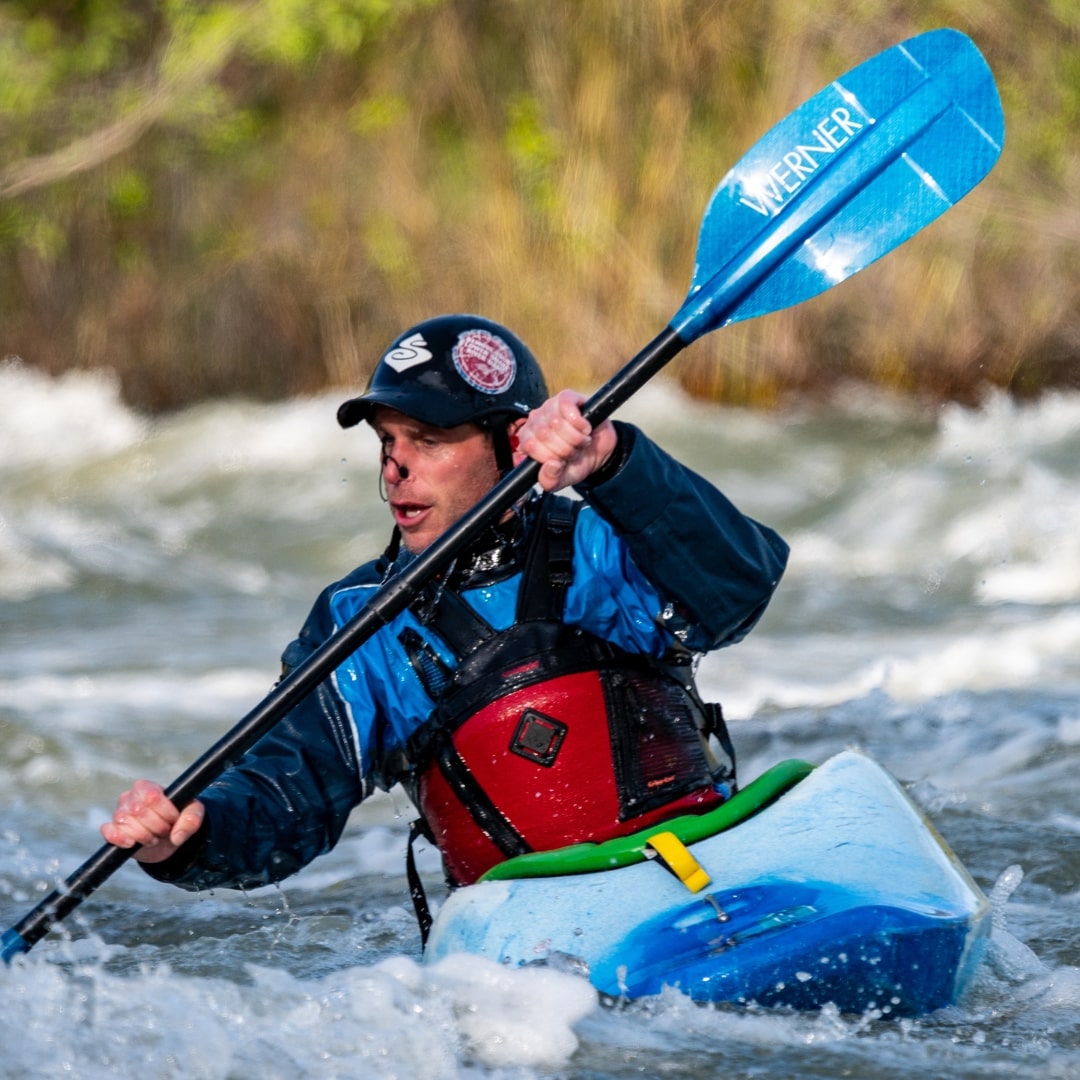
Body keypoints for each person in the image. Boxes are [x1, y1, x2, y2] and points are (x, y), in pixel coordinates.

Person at [101, 314, 788, 933]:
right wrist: (191, 838)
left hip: (698, 869)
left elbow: (739, 591)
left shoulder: (603, 543)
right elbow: (291, 793)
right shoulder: (359, 624)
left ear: (513, 443)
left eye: (427, 440)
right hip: (528, 934)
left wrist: (614, 462)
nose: (395, 467)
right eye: (387, 441)